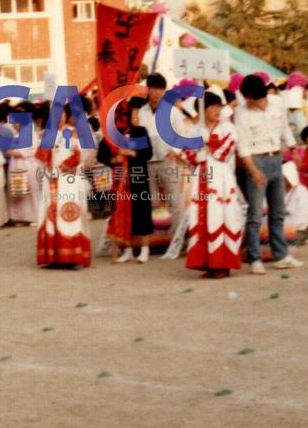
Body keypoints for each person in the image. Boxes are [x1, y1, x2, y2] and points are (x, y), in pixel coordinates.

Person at [233, 74, 304, 274]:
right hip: (256, 159)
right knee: (255, 213)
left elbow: (285, 130)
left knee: (278, 211)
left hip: (276, 158)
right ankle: (255, 257)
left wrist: (294, 150)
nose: (247, 101)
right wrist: (253, 170)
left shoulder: (277, 103)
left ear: (257, 96)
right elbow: (243, 145)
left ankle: (281, 254)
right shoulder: (241, 113)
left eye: (249, 98)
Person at [183, 91, 243, 278]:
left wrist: (208, 141)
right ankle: (207, 262)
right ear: (203, 110)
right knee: (203, 216)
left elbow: (226, 150)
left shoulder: (228, 127)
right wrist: (200, 146)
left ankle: (223, 264)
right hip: (201, 175)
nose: (216, 110)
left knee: (222, 215)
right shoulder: (195, 129)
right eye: (212, 107)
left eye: (218, 106)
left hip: (221, 176)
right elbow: (188, 155)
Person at [98, 96, 154, 263]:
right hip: (121, 181)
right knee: (124, 214)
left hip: (138, 176)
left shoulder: (140, 132)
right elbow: (102, 155)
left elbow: (148, 153)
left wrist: (131, 153)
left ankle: (144, 249)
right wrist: (113, 160)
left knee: (142, 212)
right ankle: (128, 250)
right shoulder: (112, 135)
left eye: (137, 113)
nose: (136, 117)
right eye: (133, 114)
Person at [36, 104, 92, 268]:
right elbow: (41, 157)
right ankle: (53, 257)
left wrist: (64, 167)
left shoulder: (74, 133)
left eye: (62, 114)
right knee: (50, 214)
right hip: (51, 179)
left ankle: (72, 256)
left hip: (69, 179)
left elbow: (80, 155)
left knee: (69, 214)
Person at [138, 73, 183, 231]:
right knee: (153, 201)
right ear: (147, 90)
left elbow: (181, 134)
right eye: (153, 89)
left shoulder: (172, 112)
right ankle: (159, 235)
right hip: (147, 163)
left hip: (167, 160)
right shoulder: (141, 112)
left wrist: (174, 151)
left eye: (160, 89)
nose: (156, 93)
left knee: (174, 197)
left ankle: (178, 235)